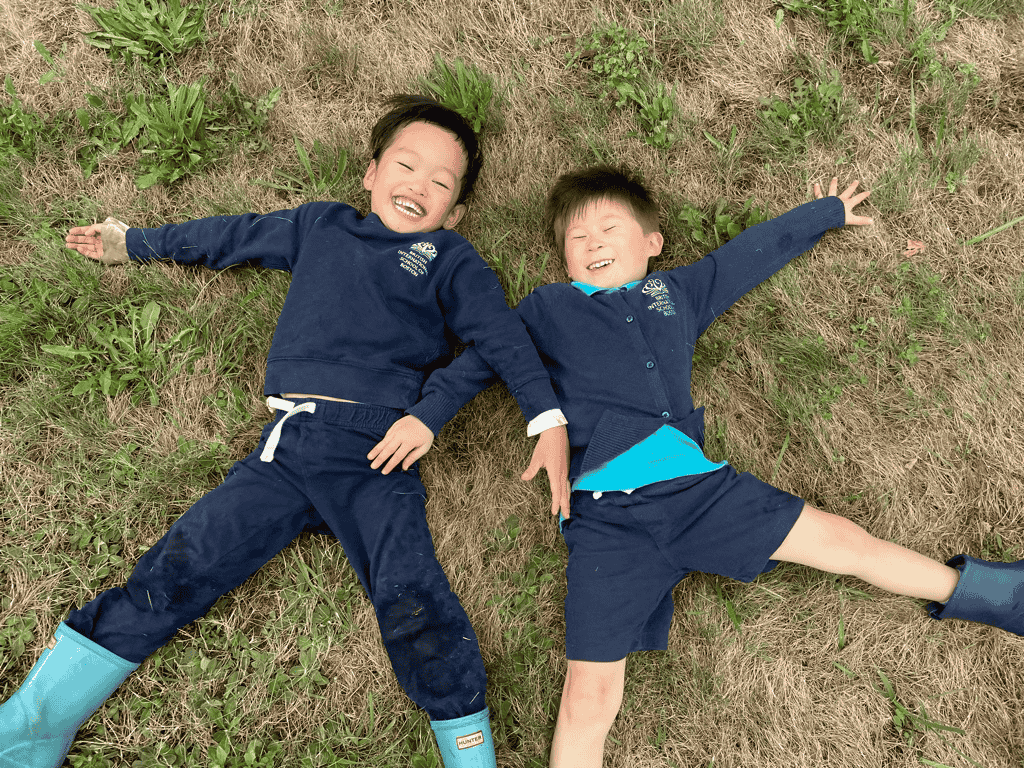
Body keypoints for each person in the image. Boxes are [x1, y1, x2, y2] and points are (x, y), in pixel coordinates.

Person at [0, 94, 570, 768]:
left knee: (414, 600)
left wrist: (528, 417)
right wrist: (135, 243)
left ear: (458, 210)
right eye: (405, 165)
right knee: (179, 564)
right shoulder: (320, 226)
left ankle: (469, 751)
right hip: (289, 449)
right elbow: (233, 235)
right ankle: (39, 719)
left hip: (376, 455)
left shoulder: (451, 260)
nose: (418, 185)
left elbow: (498, 338)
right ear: (369, 172)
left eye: (440, 183)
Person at [396, 165, 1024, 767]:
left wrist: (824, 213)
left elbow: (744, 258)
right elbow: (485, 357)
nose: (592, 244)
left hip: (703, 493)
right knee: (587, 696)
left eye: (609, 229)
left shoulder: (677, 292)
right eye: (577, 238)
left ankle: (997, 593)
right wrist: (428, 414)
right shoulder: (546, 309)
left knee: (843, 540)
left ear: (652, 242)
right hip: (606, 525)